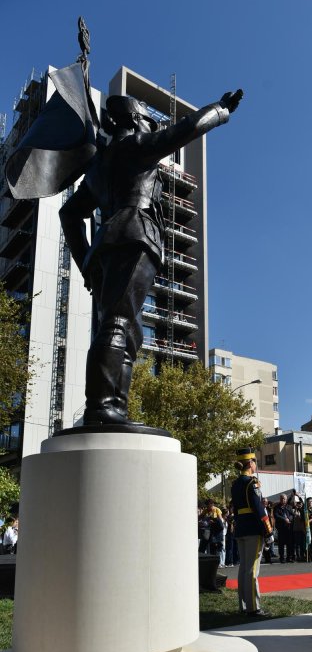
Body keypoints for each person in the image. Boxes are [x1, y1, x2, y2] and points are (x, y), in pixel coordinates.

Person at [59, 89, 242, 425]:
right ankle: (101, 408)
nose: (150, 126)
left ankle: (115, 408)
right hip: (135, 235)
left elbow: (69, 214)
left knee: (130, 332)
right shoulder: (135, 147)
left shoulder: (98, 169)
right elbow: (185, 129)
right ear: (132, 119)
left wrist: (86, 261)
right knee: (118, 324)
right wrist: (220, 110)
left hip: (106, 245)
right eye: (146, 119)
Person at [230, 448, 273, 616]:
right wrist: (268, 531)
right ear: (250, 463)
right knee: (252, 570)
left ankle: (243, 606)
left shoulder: (235, 483)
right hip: (254, 530)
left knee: (244, 569)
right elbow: (259, 509)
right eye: (254, 461)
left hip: (241, 528)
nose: (256, 464)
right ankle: (253, 608)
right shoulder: (251, 483)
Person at [273, 494, 294, 563]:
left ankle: (289, 557)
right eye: (282, 498)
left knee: (289, 543)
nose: (283, 500)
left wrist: (289, 519)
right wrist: (284, 519)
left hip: (288, 528)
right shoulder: (276, 507)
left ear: (286, 499)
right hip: (281, 528)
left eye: (284, 499)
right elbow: (276, 515)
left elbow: (292, 515)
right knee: (281, 544)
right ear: (280, 499)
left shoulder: (289, 507)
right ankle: (281, 558)